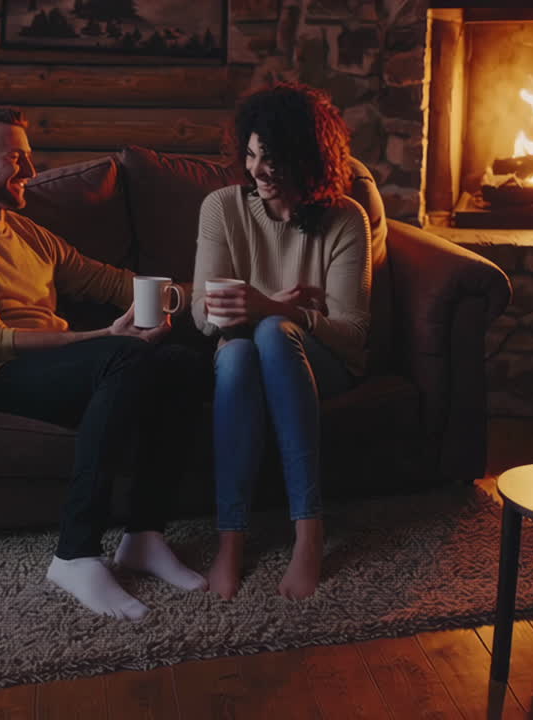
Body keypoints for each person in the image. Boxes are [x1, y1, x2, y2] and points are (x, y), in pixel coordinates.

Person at [0, 104, 206, 621]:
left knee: (183, 363)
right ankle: (75, 553)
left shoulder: (27, 233)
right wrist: (107, 335)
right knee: (127, 358)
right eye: (16, 160)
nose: (32, 173)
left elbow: (111, 282)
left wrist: (207, 297)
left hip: (66, 367)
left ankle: (144, 535)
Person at [192, 83, 371, 600]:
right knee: (241, 352)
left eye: (271, 158)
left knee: (271, 333)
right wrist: (256, 308)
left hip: (324, 364)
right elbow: (204, 317)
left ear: (305, 158)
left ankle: (308, 533)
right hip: (244, 355)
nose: (256, 171)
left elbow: (354, 335)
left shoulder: (346, 221)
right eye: (250, 155)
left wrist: (275, 310)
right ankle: (231, 540)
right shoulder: (221, 209)